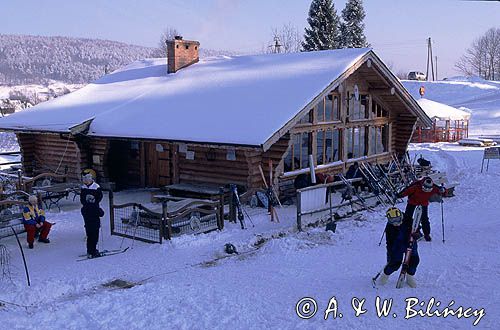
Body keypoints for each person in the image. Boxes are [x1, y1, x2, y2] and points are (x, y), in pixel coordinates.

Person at [379, 177, 446, 288]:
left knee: (414, 260)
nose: (396, 223)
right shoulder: (390, 229)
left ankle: (410, 277)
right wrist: (390, 253)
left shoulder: (407, 219)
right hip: (398, 243)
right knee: (395, 263)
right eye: (393, 221)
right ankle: (384, 276)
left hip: (410, 240)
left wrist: (416, 234)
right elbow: (390, 243)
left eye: (398, 220)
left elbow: (415, 228)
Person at [399, 177, 446, 242]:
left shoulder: (434, 188)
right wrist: (400, 195)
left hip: (423, 203)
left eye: (429, 189)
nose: (426, 190)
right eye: (425, 188)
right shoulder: (416, 186)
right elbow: (407, 191)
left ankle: (426, 234)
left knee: (424, 219)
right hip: (412, 202)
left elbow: (442, 192)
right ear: (423, 185)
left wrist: (443, 191)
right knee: (407, 217)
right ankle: (407, 231)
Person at [80, 173, 104, 258]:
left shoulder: (96, 187)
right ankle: (91, 250)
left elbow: (99, 198)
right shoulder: (83, 188)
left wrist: (95, 206)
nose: (85, 181)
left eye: (86, 179)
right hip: (88, 212)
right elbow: (82, 200)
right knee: (90, 232)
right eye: (84, 180)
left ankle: (92, 249)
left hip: (93, 210)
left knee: (93, 232)